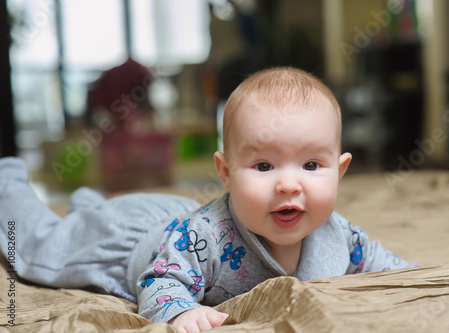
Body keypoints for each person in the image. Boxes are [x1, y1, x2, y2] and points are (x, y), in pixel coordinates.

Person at [0, 67, 416, 333]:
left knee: (89, 217)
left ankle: (87, 205)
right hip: (132, 239)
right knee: (41, 251)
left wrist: (410, 274)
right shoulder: (205, 238)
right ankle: (8, 182)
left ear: (340, 170)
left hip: (170, 221)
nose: (290, 185)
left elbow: (377, 260)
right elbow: (160, 280)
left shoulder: (337, 233)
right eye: (264, 167)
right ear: (225, 172)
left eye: (311, 165)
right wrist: (180, 312)